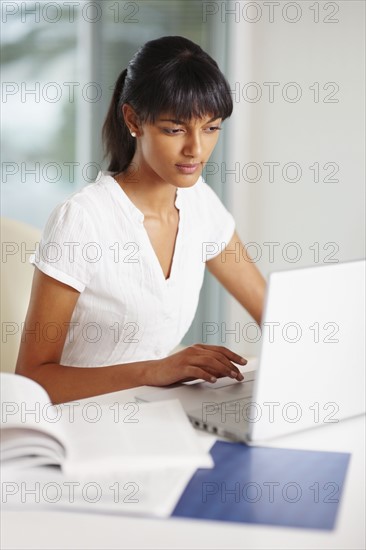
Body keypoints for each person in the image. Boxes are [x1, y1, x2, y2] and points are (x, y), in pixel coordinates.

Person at [16, 36, 266, 404]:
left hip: (156, 416)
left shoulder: (200, 203)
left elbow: (271, 311)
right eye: (175, 129)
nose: (195, 149)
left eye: (211, 128)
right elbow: (32, 381)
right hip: (80, 424)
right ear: (133, 119)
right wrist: (154, 371)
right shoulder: (83, 220)